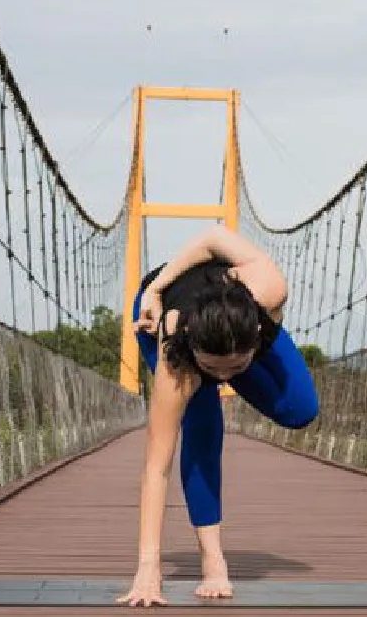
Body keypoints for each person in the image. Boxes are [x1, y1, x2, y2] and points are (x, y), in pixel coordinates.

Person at [117, 225, 320, 608]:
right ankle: (213, 560)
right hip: (165, 313)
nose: (224, 379)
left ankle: (231, 358)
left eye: (234, 369)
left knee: (300, 409)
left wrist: (238, 361)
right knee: (203, 426)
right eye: (214, 370)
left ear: (259, 331)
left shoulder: (268, 288)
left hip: (230, 318)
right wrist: (148, 567)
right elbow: (155, 467)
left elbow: (212, 237)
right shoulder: (176, 350)